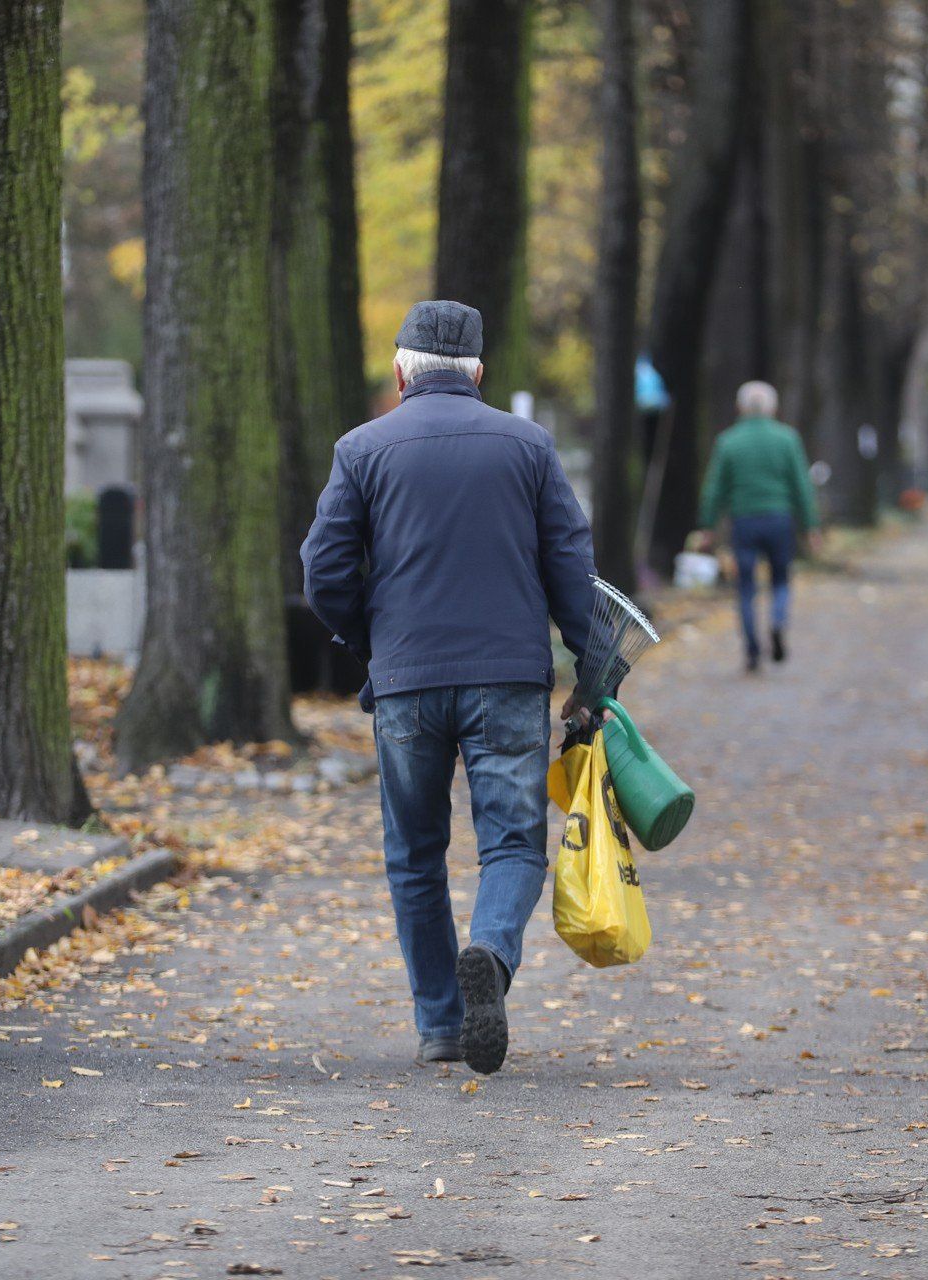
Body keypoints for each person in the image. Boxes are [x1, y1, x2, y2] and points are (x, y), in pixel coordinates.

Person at [300, 300, 596, 1076]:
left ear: (401, 371)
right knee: (512, 841)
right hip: (507, 677)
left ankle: (439, 1024)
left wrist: (369, 638)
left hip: (405, 682)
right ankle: (491, 957)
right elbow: (571, 567)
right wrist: (591, 671)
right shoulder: (529, 446)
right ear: (479, 373)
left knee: (414, 853)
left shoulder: (361, 448)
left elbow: (323, 570)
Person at [689, 381, 821, 672]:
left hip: (744, 521)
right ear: (773, 408)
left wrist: (708, 526)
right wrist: (811, 526)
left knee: (746, 587)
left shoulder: (728, 441)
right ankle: (777, 621)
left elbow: (715, 487)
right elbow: (801, 485)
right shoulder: (787, 438)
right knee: (780, 580)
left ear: (741, 407)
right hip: (779, 519)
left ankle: (751, 650)